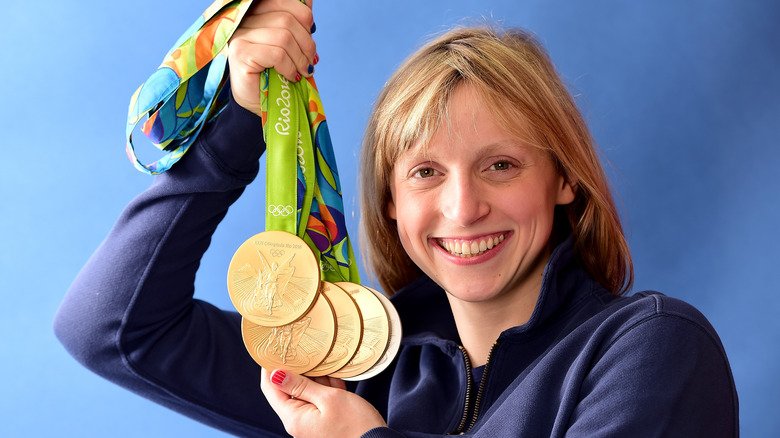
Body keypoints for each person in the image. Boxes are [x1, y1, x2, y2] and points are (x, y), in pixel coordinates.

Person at [54, 0, 739, 436]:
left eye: (501, 165)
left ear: (563, 178)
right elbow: (112, 329)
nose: (463, 207)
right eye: (425, 173)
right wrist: (237, 118)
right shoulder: (354, 365)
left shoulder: (652, 349)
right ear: (390, 203)